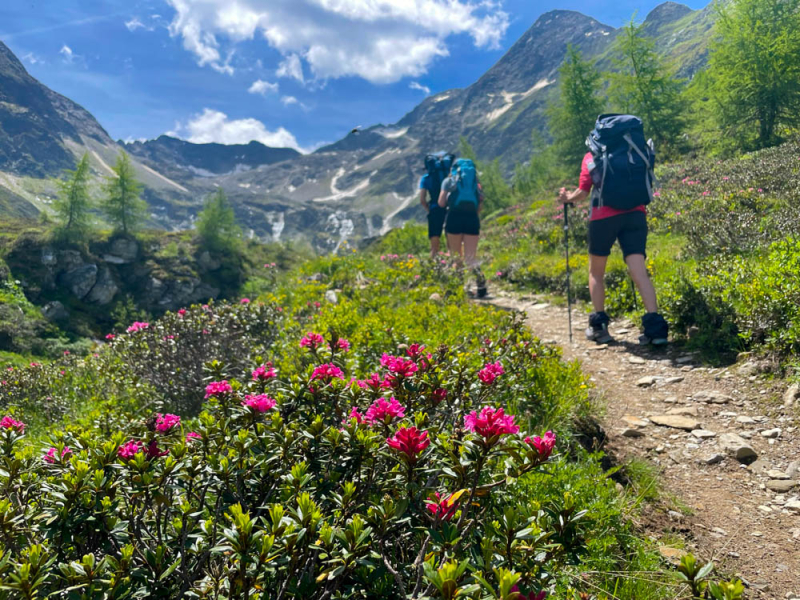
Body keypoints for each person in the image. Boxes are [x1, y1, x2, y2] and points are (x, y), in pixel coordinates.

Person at [558, 147, 669, 345]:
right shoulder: (633, 151)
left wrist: (567, 198)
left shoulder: (592, 157)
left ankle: (600, 328)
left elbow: (583, 192)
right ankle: (656, 330)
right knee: (640, 272)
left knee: (596, 273)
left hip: (603, 218)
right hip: (635, 215)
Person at [438, 158, 487, 297]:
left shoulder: (448, 181)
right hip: (472, 219)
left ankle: (459, 289)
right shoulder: (476, 184)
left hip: (454, 219)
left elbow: (441, 203)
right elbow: (480, 206)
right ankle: (481, 285)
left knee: (456, 257)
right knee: (471, 257)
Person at [419, 153, 453, 258]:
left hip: (434, 208)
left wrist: (429, 210)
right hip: (450, 208)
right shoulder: (449, 175)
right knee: (451, 240)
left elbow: (422, 200)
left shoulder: (426, 178)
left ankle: (433, 265)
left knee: (434, 242)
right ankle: (454, 264)